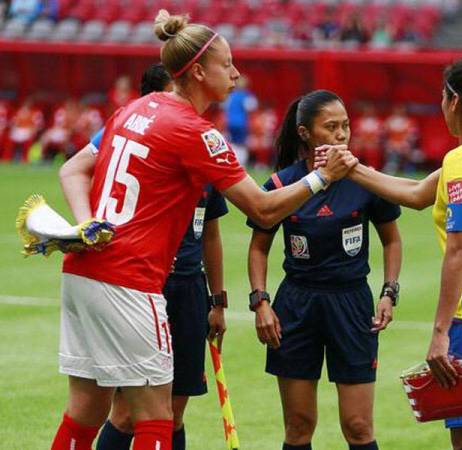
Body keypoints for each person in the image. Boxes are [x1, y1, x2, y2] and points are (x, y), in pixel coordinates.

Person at [52, 10, 355, 450]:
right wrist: (321, 178)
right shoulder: (197, 133)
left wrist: (86, 225)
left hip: (82, 270)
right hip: (131, 280)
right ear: (197, 71)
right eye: (226, 64)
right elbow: (263, 209)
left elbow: (73, 169)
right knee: (158, 415)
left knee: (85, 409)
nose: (236, 72)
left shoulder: (133, 109)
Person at [324, 57, 462, 450]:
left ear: (453, 101)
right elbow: (419, 194)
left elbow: (460, 248)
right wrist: (353, 169)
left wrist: (440, 333)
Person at [62, 63, 220, 450]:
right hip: (137, 279)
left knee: (155, 408)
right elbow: (262, 207)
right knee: (143, 413)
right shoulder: (143, 124)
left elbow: (212, 229)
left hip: (177, 284)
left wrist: (218, 298)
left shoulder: (172, 131)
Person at [247, 90, 402, 450]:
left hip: (352, 303)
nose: (341, 135)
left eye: (345, 126)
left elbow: (392, 241)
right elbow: (259, 247)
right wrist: (261, 303)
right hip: (297, 306)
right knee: (299, 426)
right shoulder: (282, 184)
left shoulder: (368, 181)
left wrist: (389, 292)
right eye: (330, 127)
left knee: (359, 426)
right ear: (305, 133)